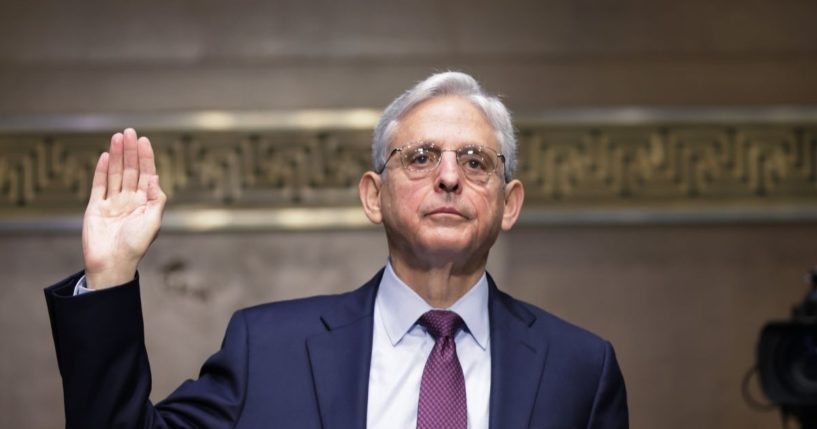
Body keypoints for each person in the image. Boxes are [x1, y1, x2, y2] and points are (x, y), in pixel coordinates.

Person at [44, 71, 628, 428]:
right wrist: (111, 274)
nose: (449, 177)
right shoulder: (268, 350)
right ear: (373, 196)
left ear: (509, 203)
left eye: (475, 162)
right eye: (421, 157)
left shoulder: (579, 368)